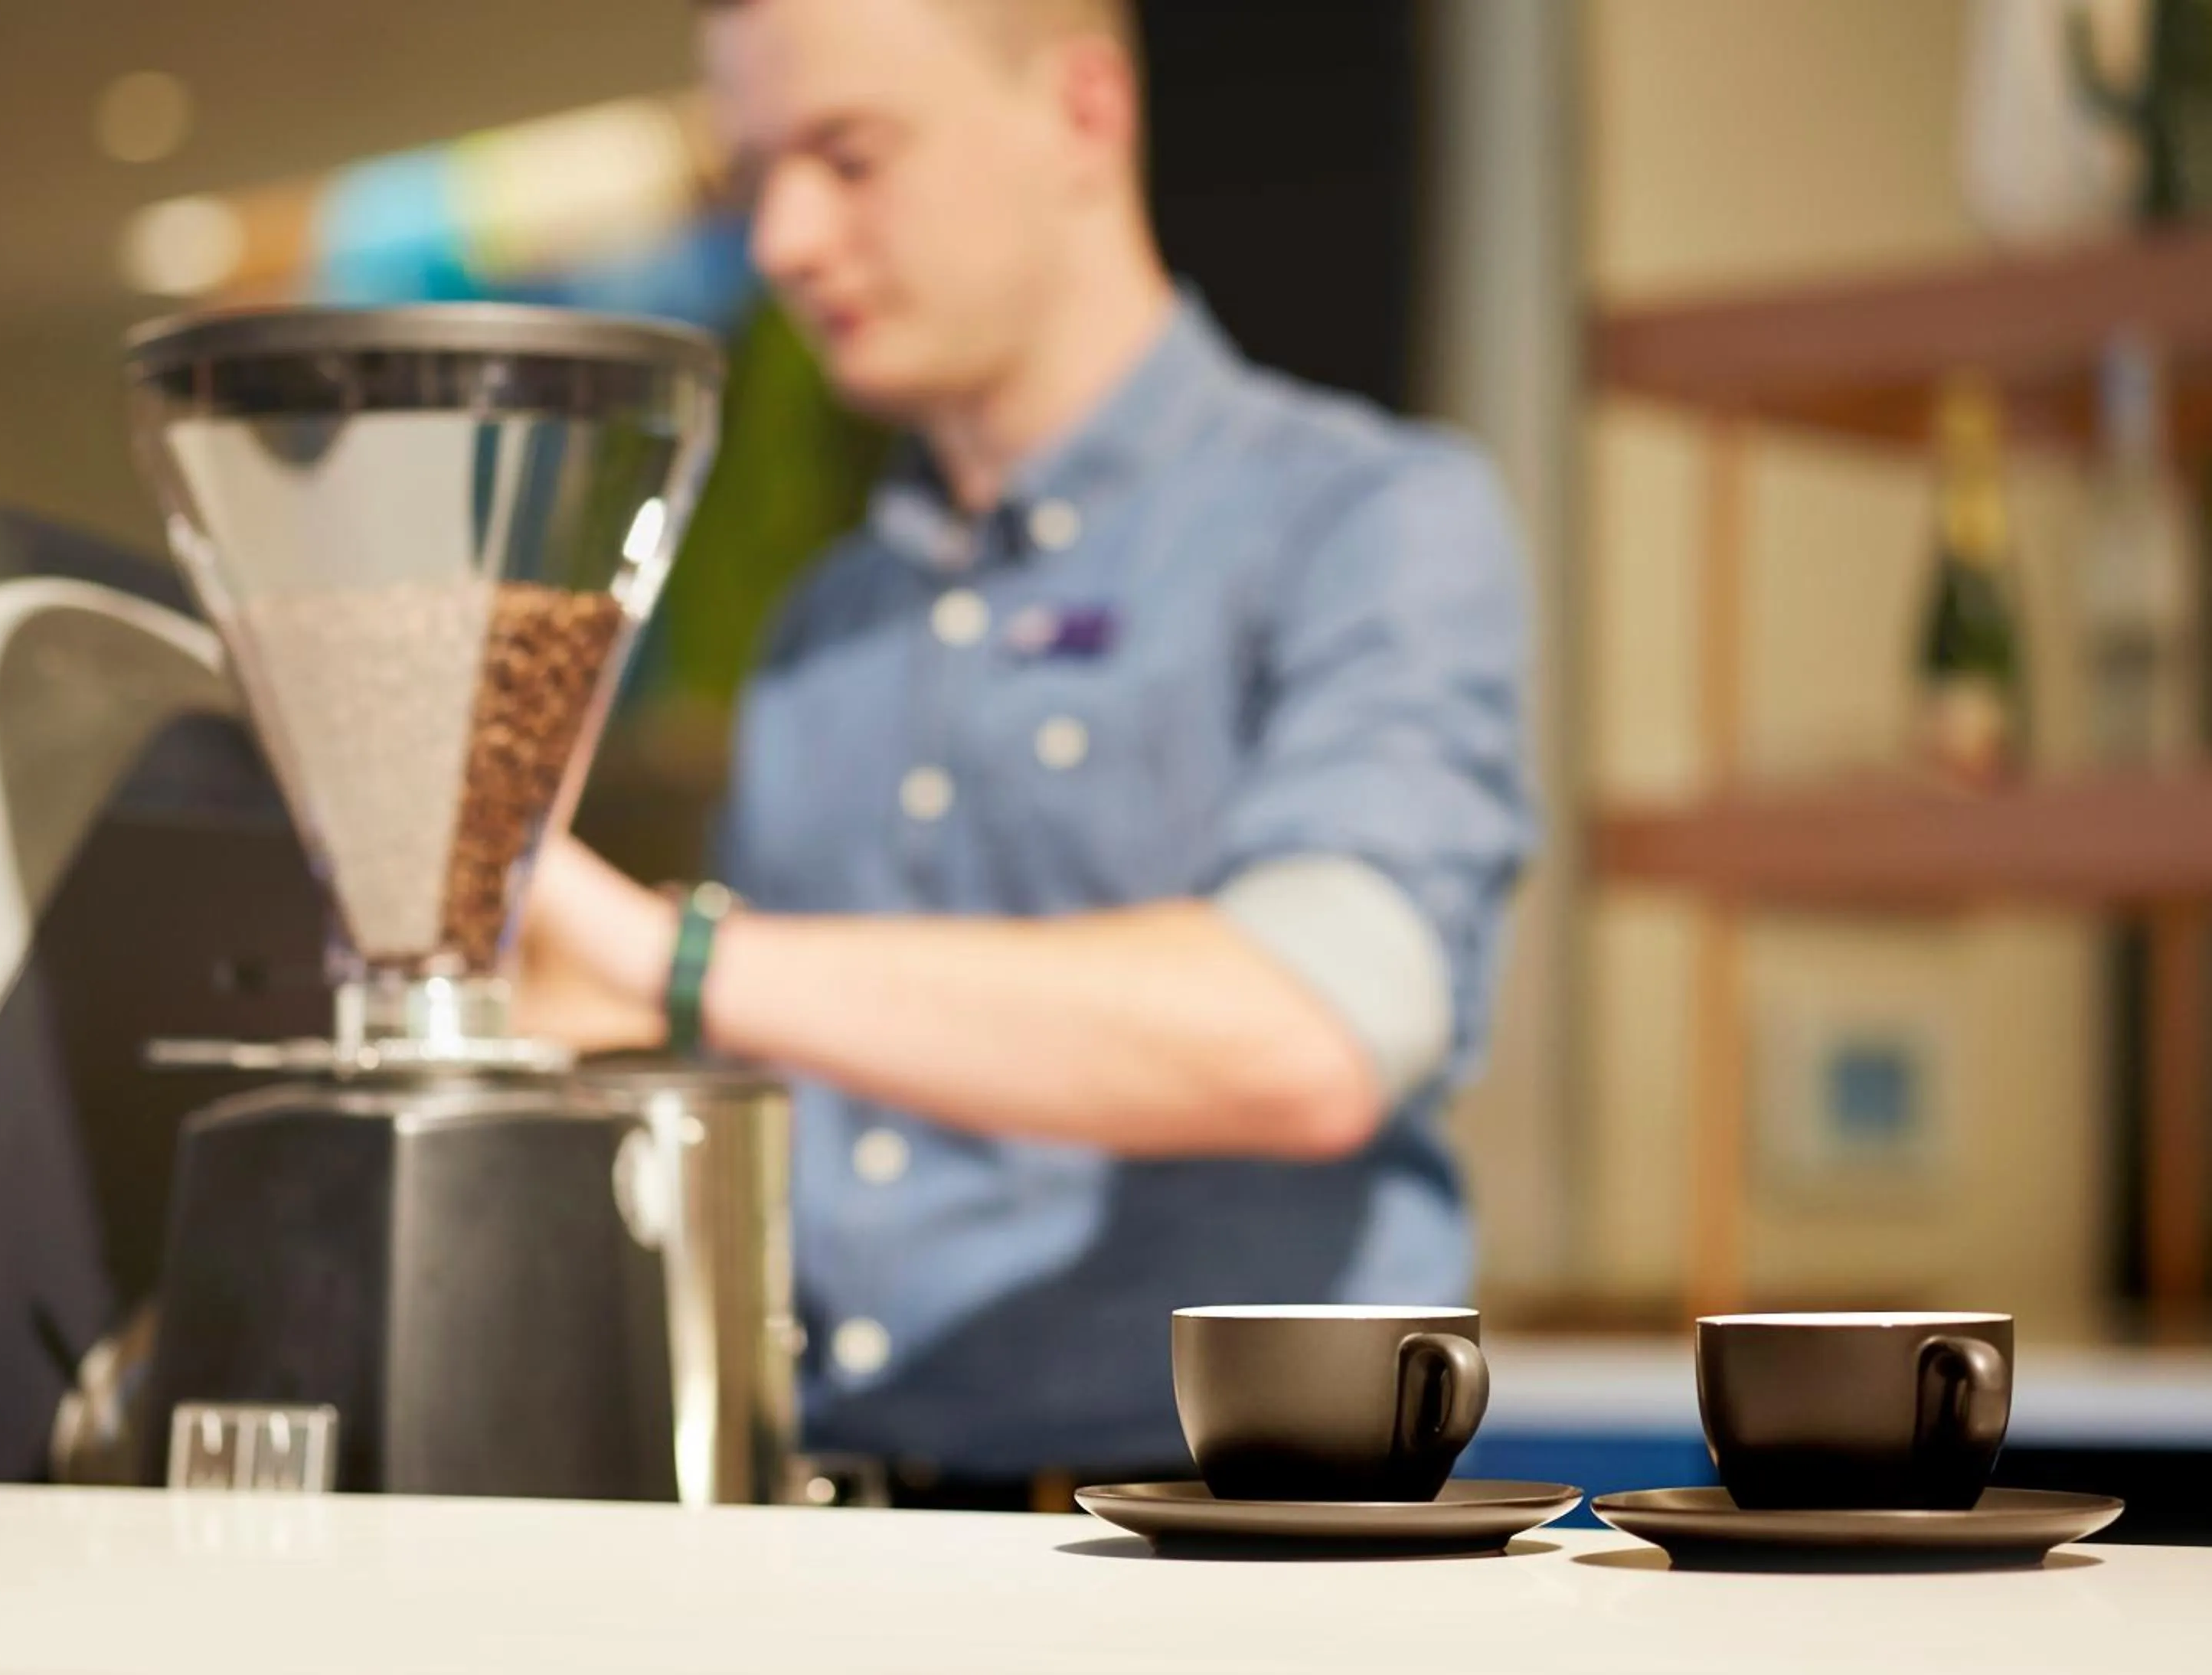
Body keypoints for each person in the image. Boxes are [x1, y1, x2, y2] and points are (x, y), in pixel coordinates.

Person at [518, 0, 1535, 1507]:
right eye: (755, 177)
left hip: (1237, 1544)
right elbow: (762, 1062)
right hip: (832, 1520)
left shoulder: (1366, 518)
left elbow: (1312, 1029)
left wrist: (671, 955)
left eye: (849, 156)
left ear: (1082, 113)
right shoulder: (826, 625)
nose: (785, 240)